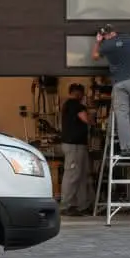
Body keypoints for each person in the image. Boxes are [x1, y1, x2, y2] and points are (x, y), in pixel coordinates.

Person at [92, 24, 130, 175]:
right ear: (115, 31)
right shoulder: (128, 39)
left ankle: (126, 148)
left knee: (122, 115)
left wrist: (98, 41)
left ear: (105, 35)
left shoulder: (106, 46)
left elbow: (94, 56)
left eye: (104, 36)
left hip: (119, 83)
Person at [59, 83, 91, 216]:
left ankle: (82, 205)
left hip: (77, 145)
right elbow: (85, 119)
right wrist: (93, 119)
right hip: (74, 146)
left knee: (81, 176)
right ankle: (66, 205)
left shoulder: (68, 105)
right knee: (72, 175)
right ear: (78, 93)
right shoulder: (74, 104)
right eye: (82, 94)